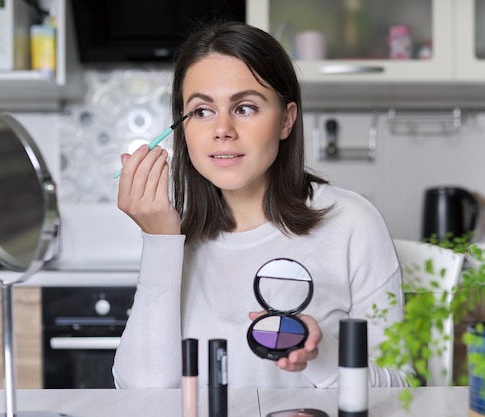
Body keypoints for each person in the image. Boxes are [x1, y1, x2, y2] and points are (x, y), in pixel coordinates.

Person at [113, 21, 411, 389]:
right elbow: (143, 393)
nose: (222, 129)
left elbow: (401, 387)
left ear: (286, 120)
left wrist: (321, 356)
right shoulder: (176, 240)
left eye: (245, 107)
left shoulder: (352, 222)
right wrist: (158, 241)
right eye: (202, 111)